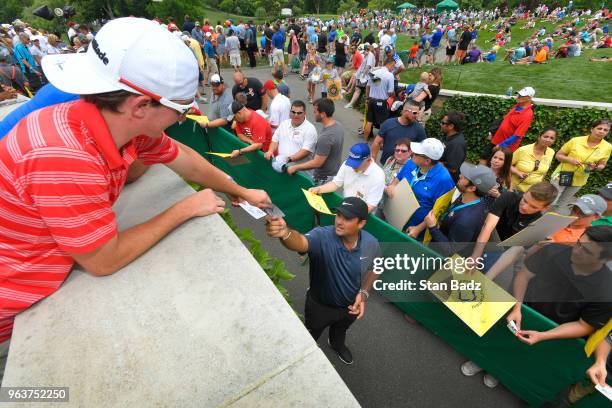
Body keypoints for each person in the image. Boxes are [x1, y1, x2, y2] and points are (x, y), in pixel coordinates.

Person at [0, 17, 271, 374]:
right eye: (178, 111)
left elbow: (182, 158)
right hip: (13, 313)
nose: (180, 119)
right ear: (141, 106)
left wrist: (240, 189)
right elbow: (103, 260)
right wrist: (185, 208)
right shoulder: (66, 157)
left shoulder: (116, 121)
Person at [265, 197, 381, 365]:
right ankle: (304, 355)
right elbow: (301, 243)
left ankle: (336, 344)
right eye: (338, 215)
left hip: (350, 308)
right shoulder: (322, 235)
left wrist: (364, 293)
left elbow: (376, 267)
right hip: (320, 306)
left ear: (361, 223)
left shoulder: (372, 243)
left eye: (347, 218)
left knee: (341, 330)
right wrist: (285, 233)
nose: (339, 221)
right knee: (311, 334)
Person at [468, 182, 558, 272]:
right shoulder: (508, 197)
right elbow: (488, 226)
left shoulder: (538, 223)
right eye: (525, 200)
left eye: (533, 207)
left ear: (545, 208)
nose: (525, 207)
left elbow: (522, 253)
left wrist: (538, 246)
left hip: (505, 251)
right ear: (525, 192)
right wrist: (476, 255)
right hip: (489, 236)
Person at [387, 138, 455, 240]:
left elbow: (438, 211)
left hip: (414, 228)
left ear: (427, 161)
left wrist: (418, 229)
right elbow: (398, 178)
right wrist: (392, 186)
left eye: (416, 153)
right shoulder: (411, 163)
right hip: (395, 216)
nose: (412, 153)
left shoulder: (444, 180)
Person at [425, 163, 497, 257]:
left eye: (465, 177)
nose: (460, 175)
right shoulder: (470, 199)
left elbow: (450, 250)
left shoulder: (466, 221)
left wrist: (432, 227)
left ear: (472, 188)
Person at [550, 119, 611, 214]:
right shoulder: (576, 140)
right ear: (592, 129)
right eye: (599, 128)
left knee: (561, 204)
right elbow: (558, 155)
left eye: (605, 130)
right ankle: (536, 221)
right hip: (562, 175)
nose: (601, 131)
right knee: (551, 201)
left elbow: (602, 164)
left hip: (579, 180)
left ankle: (549, 223)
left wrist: (595, 167)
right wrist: (570, 160)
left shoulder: (607, 147)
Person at [309, 143, 385, 212]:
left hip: (362, 214)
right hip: (346, 206)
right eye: (352, 162)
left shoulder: (378, 176)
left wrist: (349, 215)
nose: (352, 167)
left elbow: (370, 206)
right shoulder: (347, 164)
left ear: (368, 160)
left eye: (357, 164)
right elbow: (335, 184)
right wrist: (319, 189)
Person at [288, 98, 344, 186]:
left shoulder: (326, 137)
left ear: (322, 114)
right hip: (333, 174)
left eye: (315, 112)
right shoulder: (338, 126)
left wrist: (295, 167)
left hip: (323, 178)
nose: (313, 114)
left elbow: (317, 163)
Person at [481, 87, 535, 161]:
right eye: (519, 94)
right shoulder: (517, 106)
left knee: (496, 165)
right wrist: (492, 133)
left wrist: (501, 145)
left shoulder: (528, 115)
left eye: (522, 96)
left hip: (505, 147)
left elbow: (517, 136)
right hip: (496, 140)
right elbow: (505, 120)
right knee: (484, 157)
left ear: (529, 98)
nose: (518, 97)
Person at [264, 100, 317, 172]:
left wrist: (288, 159)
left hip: (299, 172)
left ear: (304, 113)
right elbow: (275, 140)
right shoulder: (284, 124)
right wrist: (270, 151)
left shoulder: (310, 129)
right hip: (282, 168)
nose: (296, 115)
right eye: (293, 112)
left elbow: (305, 151)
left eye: (299, 113)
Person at [371, 100, 425, 165]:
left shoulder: (419, 129)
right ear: (405, 111)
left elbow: (422, 149)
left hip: (406, 168)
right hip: (386, 164)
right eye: (415, 113)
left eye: (418, 113)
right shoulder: (388, 123)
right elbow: (377, 142)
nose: (416, 115)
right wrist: (373, 162)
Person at [510, 127, 557, 193]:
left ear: (554, 141)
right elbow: (506, 164)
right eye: (546, 136)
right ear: (539, 137)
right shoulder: (523, 150)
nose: (548, 140)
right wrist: (517, 172)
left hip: (533, 192)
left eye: (552, 138)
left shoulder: (551, 152)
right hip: (514, 189)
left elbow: (544, 173)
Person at [363, 58, 395, 142]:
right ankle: (381, 144)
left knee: (369, 121)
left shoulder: (374, 72)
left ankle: (365, 141)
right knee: (383, 123)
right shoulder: (389, 75)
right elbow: (390, 92)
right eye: (393, 66)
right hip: (381, 102)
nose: (393, 68)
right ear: (390, 64)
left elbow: (368, 86)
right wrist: (394, 96)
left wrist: (367, 98)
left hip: (371, 100)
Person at [439, 111, 467, 182]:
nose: (440, 124)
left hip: (446, 180)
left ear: (451, 126)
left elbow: (453, 169)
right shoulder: (447, 135)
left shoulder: (457, 144)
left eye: (443, 123)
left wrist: (433, 162)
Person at [345, 43, 375, 110]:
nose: (363, 53)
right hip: (362, 75)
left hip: (366, 76)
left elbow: (367, 67)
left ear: (366, 50)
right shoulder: (367, 55)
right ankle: (352, 103)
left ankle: (352, 104)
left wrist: (363, 76)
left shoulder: (370, 55)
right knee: (357, 89)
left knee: (358, 89)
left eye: (364, 52)